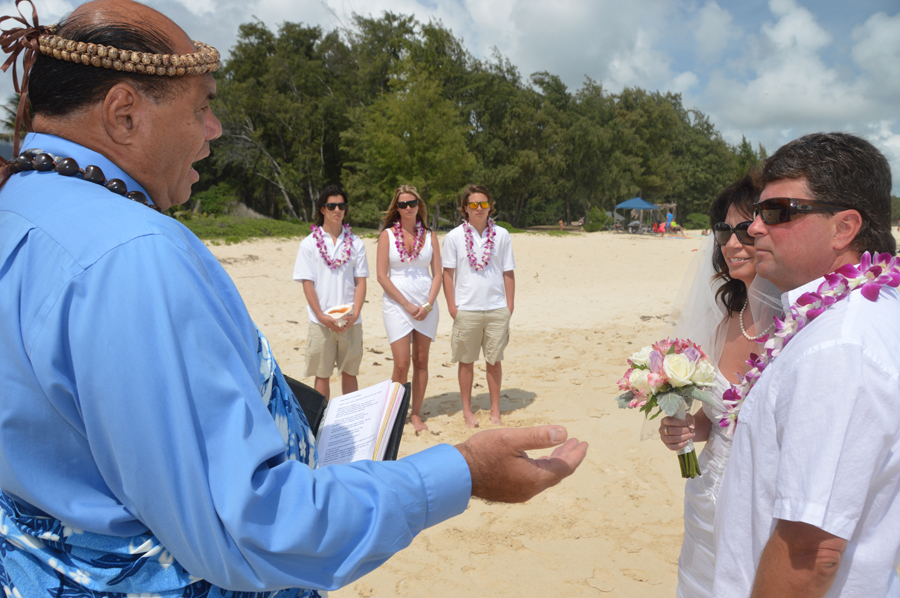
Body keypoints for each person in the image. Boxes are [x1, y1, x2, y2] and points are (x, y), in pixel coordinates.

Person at [0, 2, 588, 597]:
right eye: (201, 107)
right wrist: (465, 472)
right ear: (124, 113)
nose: (214, 129)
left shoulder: (17, 207)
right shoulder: (134, 255)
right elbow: (250, 528)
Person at [712, 133, 900, 597]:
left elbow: (812, 552)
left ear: (844, 228)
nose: (755, 228)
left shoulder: (839, 347)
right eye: (758, 211)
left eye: (778, 212)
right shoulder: (858, 312)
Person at [657, 175, 780, 598]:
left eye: (745, 229)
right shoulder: (726, 317)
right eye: (724, 230)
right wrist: (689, 428)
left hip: (761, 502)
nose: (731, 243)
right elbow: (718, 415)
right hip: (706, 491)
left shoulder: (800, 325)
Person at [442, 184, 515, 428]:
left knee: (494, 361)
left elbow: (508, 271)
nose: (479, 209)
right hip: (466, 309)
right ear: (465, 208)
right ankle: (467, 411)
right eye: (474, 204)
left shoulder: (502, 234)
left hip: (496, 307)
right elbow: (447, 274)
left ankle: (495, 411)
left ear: (490, 206)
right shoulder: (454, 237)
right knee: (466, 361)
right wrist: (453, 308)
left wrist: (509, 306)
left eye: (484, 204)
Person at [376, 185, 441, 432]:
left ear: (418, 205)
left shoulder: (431, 236)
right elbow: (381, 276)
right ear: (397, 207)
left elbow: (438, 274)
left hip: (426, 305)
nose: (408, 208)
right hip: (397, 304)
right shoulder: (387, 236)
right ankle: (393, 414)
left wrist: (428, 305)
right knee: (401, 364)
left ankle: (415, 414)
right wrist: (405, 304)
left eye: (412, 203)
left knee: (421, 361)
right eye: (402, 204)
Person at [293, 185, 367, 400]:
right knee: (322, 375)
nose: (337, 210)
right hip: (320, 320)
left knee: (350, 373)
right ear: (322, 209)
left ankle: (351, 416)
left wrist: (355, 313)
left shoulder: (357, 243)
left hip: (351, 319)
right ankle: (322, 418)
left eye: (341, 206)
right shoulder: (308, 244)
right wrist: (320, 315)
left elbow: (361, 282)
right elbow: (307, 283)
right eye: (332, 206)